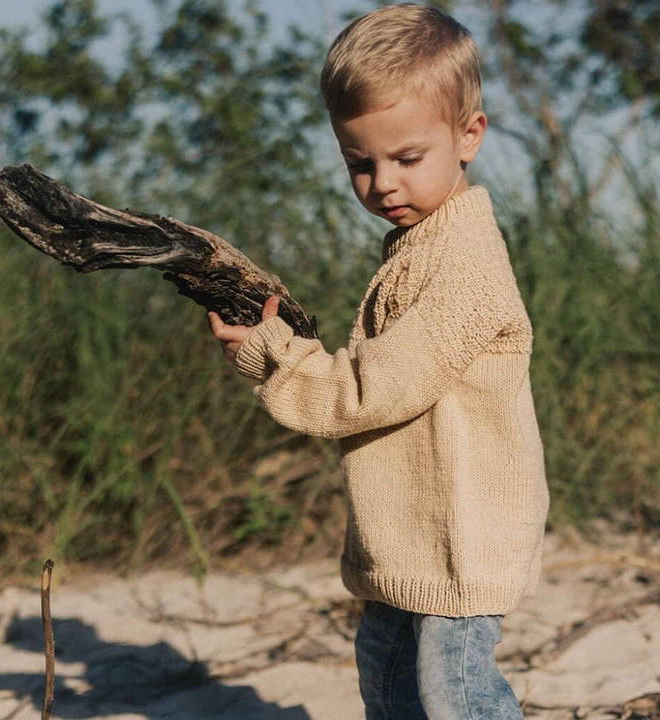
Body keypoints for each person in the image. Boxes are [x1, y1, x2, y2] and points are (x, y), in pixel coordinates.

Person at [209, 4, 549, 718]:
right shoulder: (420, 244)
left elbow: (376, 388)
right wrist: (268, 352)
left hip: (461, 539)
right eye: (359, 164)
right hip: (404, 540)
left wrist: (281, 360)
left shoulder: (465, 263)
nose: (383, 184)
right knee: (390, 688)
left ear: (469, 136)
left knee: (456, 696)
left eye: (406, 158)